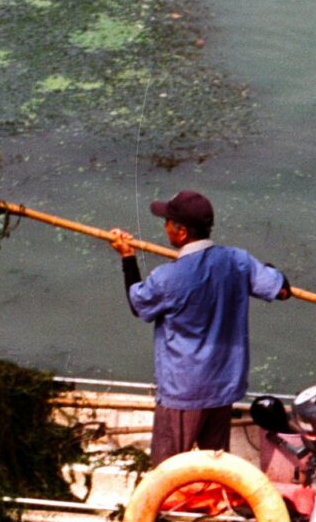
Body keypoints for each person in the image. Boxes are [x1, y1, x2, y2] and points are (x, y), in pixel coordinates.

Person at [111, 189, 291, 463]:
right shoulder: (238, 260)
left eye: (167, 223)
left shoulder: (167, 277)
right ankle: (213, 500)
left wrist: (127, 257)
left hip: (183, 390)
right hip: (224, 384)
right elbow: (281, 290)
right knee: (214, 463)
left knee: (169, 469)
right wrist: (268, 269)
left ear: (181, 233)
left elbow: (139, 305)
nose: (164, 227)